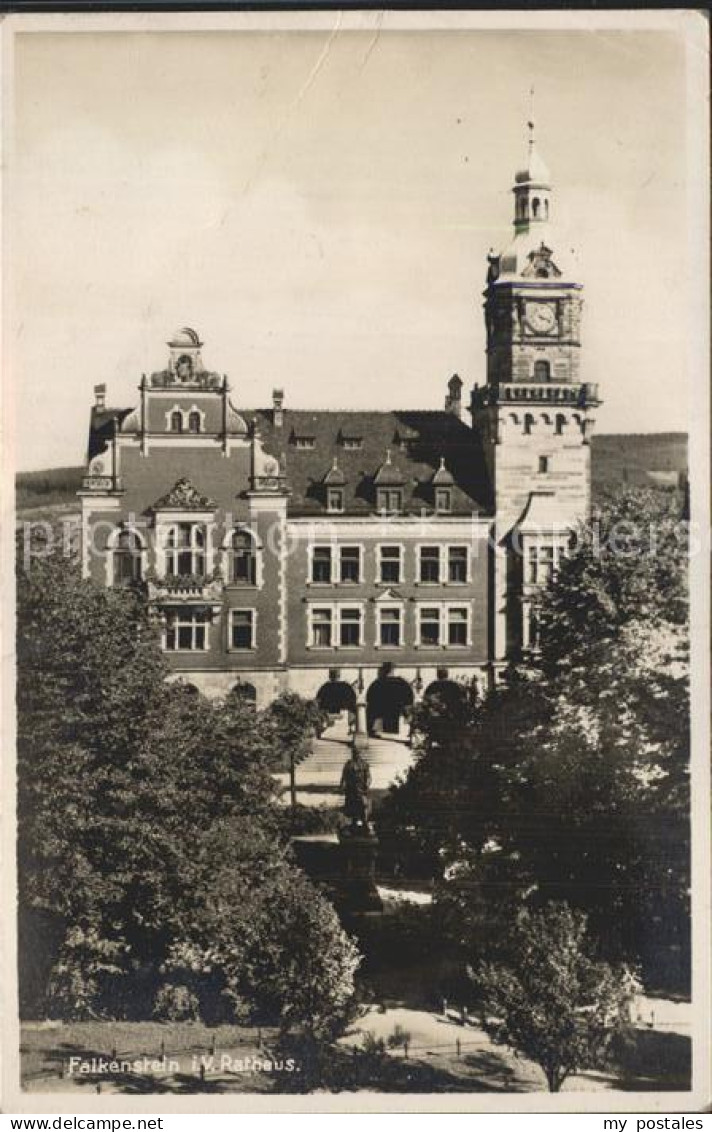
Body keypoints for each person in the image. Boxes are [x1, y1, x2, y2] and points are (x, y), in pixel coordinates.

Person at [340, 747, 371, 831]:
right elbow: (344, 776)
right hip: (351, 790)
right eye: (354, 753)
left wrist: (367, 784)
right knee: (353, 808)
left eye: (357, 753)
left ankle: (365, 825)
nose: (356, 755)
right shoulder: (348, 764)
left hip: (361, 789)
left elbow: (368, 776)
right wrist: (342, 786)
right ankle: (354, 825)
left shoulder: (364, 764)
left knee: (363, 807)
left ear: (360, 754)